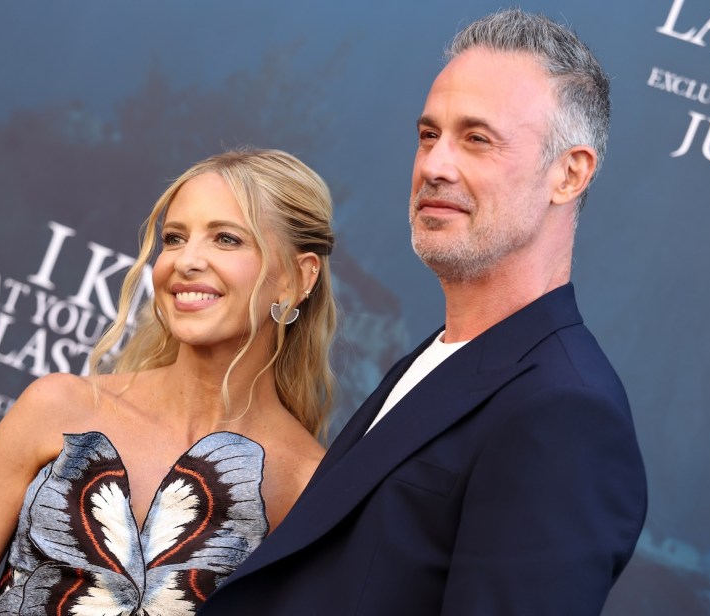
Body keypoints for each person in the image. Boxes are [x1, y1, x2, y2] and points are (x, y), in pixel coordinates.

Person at [199, 9, 647, 616]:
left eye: (477, 139)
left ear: (569, 174)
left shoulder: (566, 411)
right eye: (429, 134)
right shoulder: (444, 356)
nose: (435, 164)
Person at [0, 148, 337, 615]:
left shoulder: (309, 484)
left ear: (295, 278)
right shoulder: (59, 408)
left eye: (226, 239)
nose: (187, 260)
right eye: (174, 238)